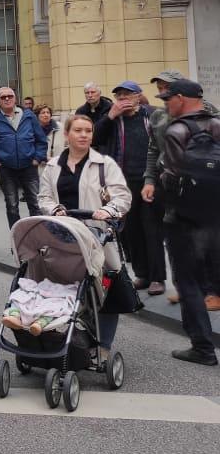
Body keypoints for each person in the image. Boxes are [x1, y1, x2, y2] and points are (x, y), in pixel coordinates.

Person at [37, 113, 132, 361]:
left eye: (88, 131)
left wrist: (108, 210)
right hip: (63, 236)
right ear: (67, 134)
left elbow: (122, 196)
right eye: (78, 130)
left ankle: (103, 345)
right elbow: (44, 197)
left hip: (96, 236)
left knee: (104, 293)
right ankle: (66, 338)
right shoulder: (52, 166)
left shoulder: (104, 164)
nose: (83, 135)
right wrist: (53, 209)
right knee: (68, 290)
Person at [153, 79, 220, 365]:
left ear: (181, 98)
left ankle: (202, 348)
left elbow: (171, 176)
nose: (166, 103)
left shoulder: (176, 130)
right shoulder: (218, 124)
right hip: (216, 216)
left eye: (169, 98)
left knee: (188, 281)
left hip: (183, 219)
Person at [143, 70, 219, 308]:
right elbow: (153, 149)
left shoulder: (207, 113)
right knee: (175, 236)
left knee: (206, 238)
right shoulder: (158, 117)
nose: (162, 93)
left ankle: (212, 291)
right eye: (159, 88)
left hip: (201, 185)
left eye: (166, 88)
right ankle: (184, 286)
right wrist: (149, 180)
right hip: (172, 185)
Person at [93, 81, 164, 296]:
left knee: (151, 228)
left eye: (127, 94)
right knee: (131, 230)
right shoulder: (113, 119)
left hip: (151, 180)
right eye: (119, 96)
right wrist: (110, 116)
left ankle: (157, 278)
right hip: (124, 181)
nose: (123, 99)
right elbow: (95, 138)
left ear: (138, 96)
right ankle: (142, 274)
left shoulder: (152, 114)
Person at [0, 87, 47, 228]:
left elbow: (41, 140)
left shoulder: (29, 116)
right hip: (6, 169)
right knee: (12, 205)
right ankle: (17, 241)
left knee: (35, 204)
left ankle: (39, 239)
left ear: (15, 98)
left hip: (29, 166)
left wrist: (37, 158)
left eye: (9, 96)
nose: (7, 99)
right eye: (3, 97)